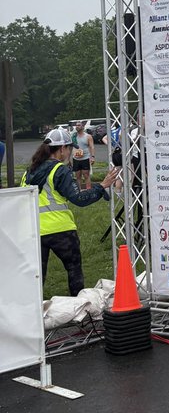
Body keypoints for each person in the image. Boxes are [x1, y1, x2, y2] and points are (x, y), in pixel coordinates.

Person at [22, 128, 119, 296]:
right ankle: (79, 308)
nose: (70, 152)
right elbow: (79, 199)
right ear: (61, 149)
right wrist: (101, 186)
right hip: (61, 229)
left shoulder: (28, 172)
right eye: (69, 148)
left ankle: (33, 313)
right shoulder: (60, 170)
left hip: (34, 230)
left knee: (37, 277)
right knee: (74, 269)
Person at [71, 121, 94, 189]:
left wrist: (92, 157)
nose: (77, 126)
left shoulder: (88, 136)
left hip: (85, 158)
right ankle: (79, 191)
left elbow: (92, 147)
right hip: (76, 158)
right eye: (76, 125)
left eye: (79, 125)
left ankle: (88, 190)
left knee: (86, 175)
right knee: (77, 176)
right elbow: (70, 147)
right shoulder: (73, 136)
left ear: (83, 127)